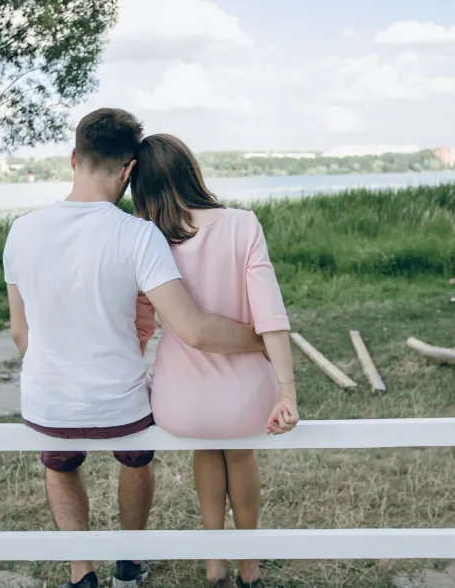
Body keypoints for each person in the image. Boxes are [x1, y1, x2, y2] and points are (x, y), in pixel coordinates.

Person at [3, 109, 266, 588]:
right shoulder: (137, 234)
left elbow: (20, 334)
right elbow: (195, 329)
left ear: (73, 158)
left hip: (49, 402)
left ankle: (82, 573)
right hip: (119, 403)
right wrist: (261, 338)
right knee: (136, 457)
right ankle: (129, 561)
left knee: (61, 468)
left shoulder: (21, 230)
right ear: (128, 171)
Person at [131, 133, 299, 588]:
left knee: (207, 449)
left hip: (180, 402)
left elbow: (141, 324)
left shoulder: (147, 239)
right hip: (246, 397)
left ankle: (214, 565)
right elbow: (271, 317)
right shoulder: (243, 225)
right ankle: (250, 567)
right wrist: (286, 388)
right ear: (191, 170)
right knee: (238, 453)